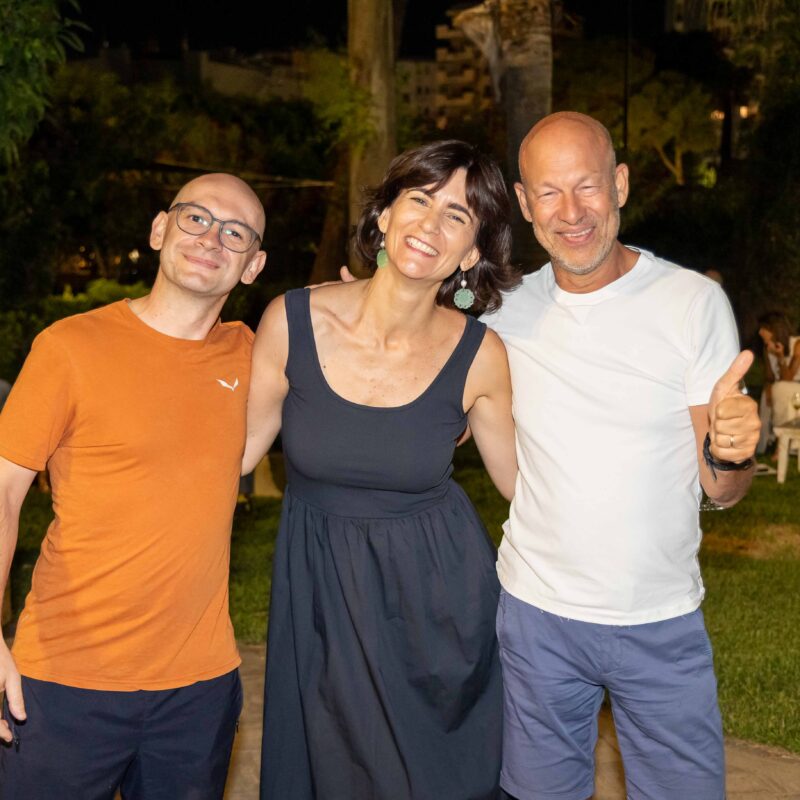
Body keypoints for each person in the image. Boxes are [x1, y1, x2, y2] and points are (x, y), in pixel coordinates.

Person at [481, 112, 761, 800]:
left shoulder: (693, 302)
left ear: (621, 185)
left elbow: (722, 490)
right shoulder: (502, 310)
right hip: (536, 615)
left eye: (588, 186)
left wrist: (731, 453)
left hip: (660, 619)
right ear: (523, 204)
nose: (571, 212)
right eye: (549, 192)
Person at [244, 140, 519, 800]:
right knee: (335, 765)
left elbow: (523, 487)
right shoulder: (291, 320)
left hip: (440, 602)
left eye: (458, 216)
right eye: (419, 200)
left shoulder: (482, 355)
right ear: (385, 215)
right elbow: (235, 454)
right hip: (321, 585)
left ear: (471, 253)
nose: (431, 224)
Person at [0, 173, 267, 798]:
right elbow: (4, 493)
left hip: (198, 692)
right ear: (159, 230)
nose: (212, 238)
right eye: (196, 218)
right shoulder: (70, 347)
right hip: (62, 680)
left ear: (253, 266)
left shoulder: (255, 356)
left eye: (236, 233)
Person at [756, 312, 800, 453]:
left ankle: (783, 443)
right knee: (767, 395)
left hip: (796, 388)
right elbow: (769, 377)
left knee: (780, 389)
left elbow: (788, 378)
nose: (760, 332)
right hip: (780, 386)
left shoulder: (797, 344)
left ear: (774, 329)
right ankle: (764, 444)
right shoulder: (768, 348)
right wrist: (768, 389)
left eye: (763, 328)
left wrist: (780, 356)